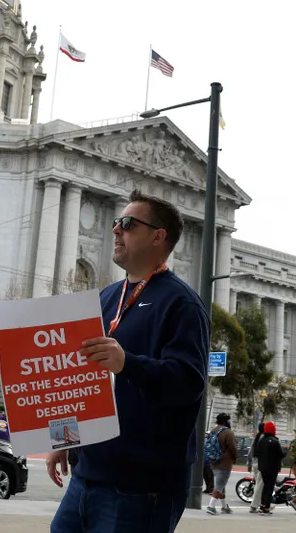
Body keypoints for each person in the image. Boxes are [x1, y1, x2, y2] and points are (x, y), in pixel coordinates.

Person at [47, 191, 209, 533]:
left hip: (140, 488)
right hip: (86, 477)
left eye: (127, 224)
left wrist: (128, 364)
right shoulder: (106, 297)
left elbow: (189, 383)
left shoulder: (182, 305)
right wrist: (64, 439)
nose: (116, 230)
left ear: (157, 236)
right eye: (116, 223)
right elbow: (79, 380)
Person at [205, 413, 238, 515]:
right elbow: (233, 448)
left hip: (213, 461)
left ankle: (224, 507)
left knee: (221, 485)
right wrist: (235, 458)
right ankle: (211, 506)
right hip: (225, 462)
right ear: (225, 421)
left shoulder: (213, 431)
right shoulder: (228, 432)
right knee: (219, 485)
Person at [252, 421, 284, 515]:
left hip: (263, 467)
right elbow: (280, 454)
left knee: (265, 487)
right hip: (272, 468)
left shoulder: (262, 440)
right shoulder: (275, 441)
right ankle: (266, 507)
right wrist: (286, 450)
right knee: (269, 488)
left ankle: (262, 506)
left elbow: (256, 453)